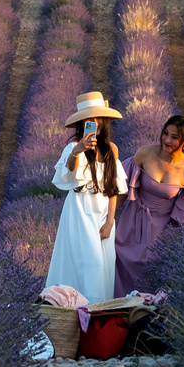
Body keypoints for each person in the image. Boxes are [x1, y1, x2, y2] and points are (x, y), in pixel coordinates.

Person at [46, 92, 129, 304]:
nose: (95, 123)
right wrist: (79, 150)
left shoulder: (112, 149)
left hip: (102, 212)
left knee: (103, 265)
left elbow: (114, 188)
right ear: (82, 123)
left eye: (98, 118)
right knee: (87, 264)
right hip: (80, 209)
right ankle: (75, 310)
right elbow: (70, 170)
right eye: (89, 119)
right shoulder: (73, 147)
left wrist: (111, 221)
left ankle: (97, 316)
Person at [113, 114, 184, 297]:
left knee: (152, 274)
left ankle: (147, 320)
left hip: (161, 233)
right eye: (165, 133)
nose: (167, 140)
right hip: (132, 222)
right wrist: (106, 219)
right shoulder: (145, 154)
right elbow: (121, 190)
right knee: (119, 263)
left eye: (174, 137)